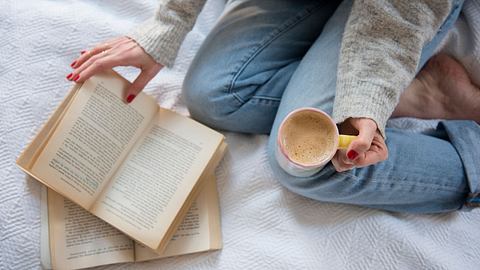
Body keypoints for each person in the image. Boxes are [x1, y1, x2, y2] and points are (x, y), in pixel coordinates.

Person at [66, 0, 480, 213]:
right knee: (214, 94)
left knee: (313, 167)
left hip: (395, 11)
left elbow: (395, 13)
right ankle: (418, 94)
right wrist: (168, 25)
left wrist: (367, 97)